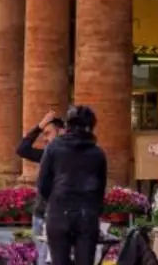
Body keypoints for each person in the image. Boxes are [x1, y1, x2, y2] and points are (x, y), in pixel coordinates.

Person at [37, 105, 107, 265]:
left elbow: (42, 183)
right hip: (86, 214)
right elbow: (100, 189)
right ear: (90, 127)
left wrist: (55, 202)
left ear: (68, 126)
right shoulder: (97, 154)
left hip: (59, 212)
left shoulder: (54, 148)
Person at [16, 111, 64, 265]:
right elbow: (22, 149)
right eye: (43, 134)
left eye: (48, 133)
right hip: (41, 214)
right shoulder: (45, 155)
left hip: (61, 215)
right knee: (41, 258)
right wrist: (39, 126)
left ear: (61, 132)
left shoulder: (71, 157)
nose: (45, 138)